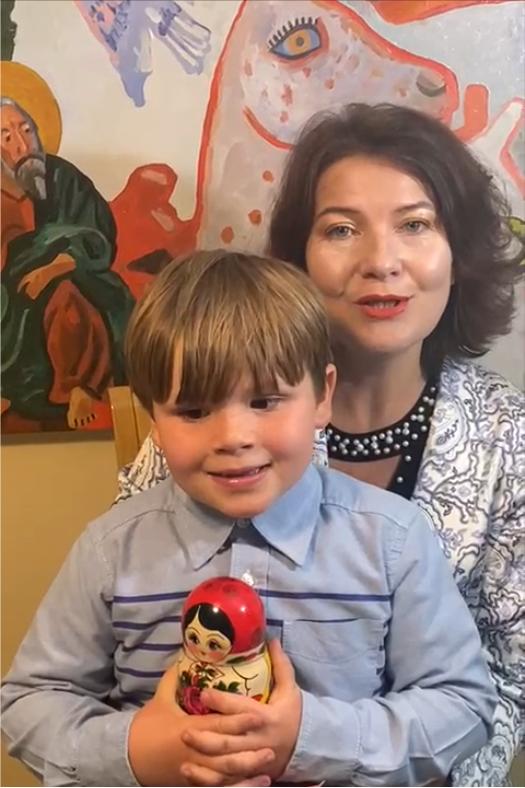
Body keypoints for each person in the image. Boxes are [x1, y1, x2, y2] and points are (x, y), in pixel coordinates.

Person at [116, 104, 524, 786]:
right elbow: (125, 619)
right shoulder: (212, 415)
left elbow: (508, 680)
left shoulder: (506, 433)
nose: (380, 262)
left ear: (458, 254)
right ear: (298, 256)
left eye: (415, 224)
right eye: (340, 229)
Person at [1, 250, 496, 787]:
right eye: (193, 411)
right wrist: (137, 750)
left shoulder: (393, 539)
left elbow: (462, 704)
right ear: (154, 419)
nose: (233, 438)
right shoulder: (109, 550)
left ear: (322, 395)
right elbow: (29, 702)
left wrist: (312, 738)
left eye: (265, 401)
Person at [1, 97, 135, 428]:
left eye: (27, 130)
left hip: (70, 274)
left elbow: (96, 232)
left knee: (67, 296)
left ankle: (78, 386)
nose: (22, 145)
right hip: (7, 295)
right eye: (7, 136)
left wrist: (54, 267)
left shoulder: (63, 177)